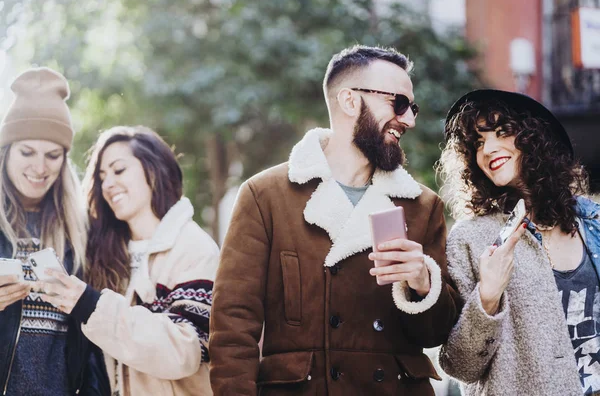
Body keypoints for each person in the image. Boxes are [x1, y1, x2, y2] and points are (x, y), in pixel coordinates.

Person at [209, 45, 461, 395]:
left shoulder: (422, 205)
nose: (409, 120)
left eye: (412, 107)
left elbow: (436, 334)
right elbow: (233, 329)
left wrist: (422, 283)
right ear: (349, 100)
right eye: (399, 103)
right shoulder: (264, 196)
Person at [438, 89, 599, 395]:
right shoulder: (471, 240)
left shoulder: (593, 223)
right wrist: (487, 297)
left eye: (502, 133)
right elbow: (459, 366)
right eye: (478, 143)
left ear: (535, 139)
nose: (488, 149)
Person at [39, 126, 219, 395]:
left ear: (154, 170)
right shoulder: (102, 253)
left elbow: (187, 351)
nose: (108, 184)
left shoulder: (194, 248)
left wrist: (91, 305)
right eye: (102, 176)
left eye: (119, 170)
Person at [0, 67, 109, 395]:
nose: (40, 167)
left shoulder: (81, 229)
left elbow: (93, 344)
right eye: (27, 152)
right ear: (6, 151)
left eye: (53, 155)